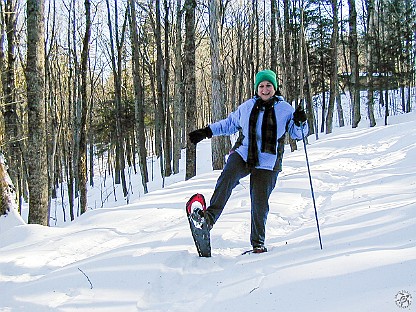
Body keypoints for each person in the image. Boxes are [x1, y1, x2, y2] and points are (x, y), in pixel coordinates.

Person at [188, 69, 308, 253]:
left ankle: (258, 243)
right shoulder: (247, 106)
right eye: (261, 86)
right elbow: (229, 124)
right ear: (256, 88)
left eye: (269, 85)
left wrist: (301, 121)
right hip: (244, 152)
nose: (265, 89)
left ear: (275, 88)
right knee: (226, 178)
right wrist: (206, 132)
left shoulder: (286, 109)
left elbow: (297, 133)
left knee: (259, 201)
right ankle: (208, 220)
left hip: (269, 160)